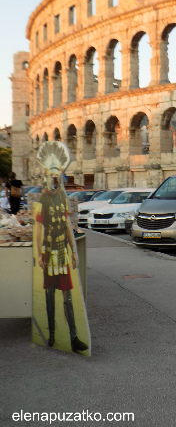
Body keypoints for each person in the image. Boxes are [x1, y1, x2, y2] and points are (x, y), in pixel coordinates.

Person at [32, 142, 88, 354]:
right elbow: (38, 229)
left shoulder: (63, 197)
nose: (54, 180)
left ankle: (73, 337)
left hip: (63, 252)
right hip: (49, 253)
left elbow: (66, 226)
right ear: (45, 177)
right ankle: (52, 334)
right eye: (51, 176)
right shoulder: (41, 200)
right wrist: (38, 254)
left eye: (56, 177)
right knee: (49, 295)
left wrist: (73, 251)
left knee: (68, 296)